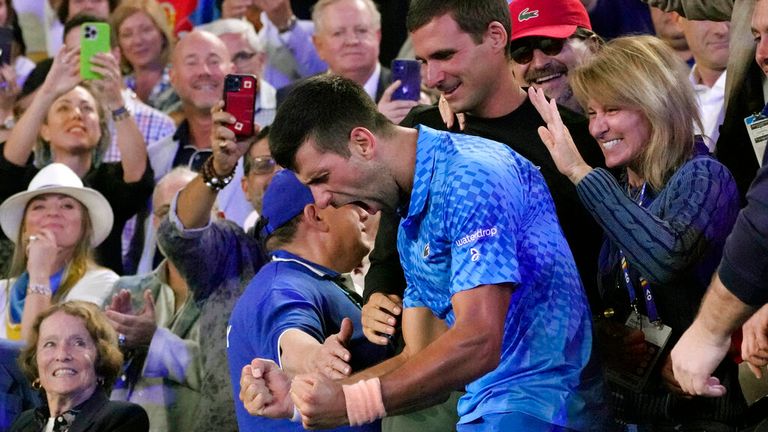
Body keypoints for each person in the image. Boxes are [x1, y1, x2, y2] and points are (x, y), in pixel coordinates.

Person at [246, 74, 606, 431]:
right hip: (495, 409)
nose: (322, 200)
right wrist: (303, 399)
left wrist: (350, 403)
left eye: (321, 177)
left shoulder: (471, 177)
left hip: (545, 410)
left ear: (362, 142)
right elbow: (420, 359)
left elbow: (480, 341)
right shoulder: (410, 219)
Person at [364, 0, 607, 359]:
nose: (432, 78)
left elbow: (598, 259)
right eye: (424, 62)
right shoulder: (423, 130)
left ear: (495, 37)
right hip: (430, 378)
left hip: (544, 373)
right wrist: (377, 296)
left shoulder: (577, 139)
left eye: (445, 56)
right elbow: (388, 257)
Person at [529, 35, 743, 429]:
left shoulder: (704, 176)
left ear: (657, 106)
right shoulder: (624, 190)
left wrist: (579, 171)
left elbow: (666, 257)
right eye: (591, 112)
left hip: (712, 412)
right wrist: (607, 336)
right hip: (643, 414)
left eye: (612, 109)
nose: (596, 127)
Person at [231, 170, 386, 432]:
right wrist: (315, 357)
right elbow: (290, 338)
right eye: (353, 202)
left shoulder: (304, 279)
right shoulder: (281, 287)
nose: (365, 212)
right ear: (316, 215)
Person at [155, 102, 267, 432]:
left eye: (284, 164)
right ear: (244, 188)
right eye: (263, 165)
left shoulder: (344, 238)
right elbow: (177, 236)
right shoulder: (231, 249)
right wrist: (219, 168)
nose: (275, 174)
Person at [0, 42, 154, 275]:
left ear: (101, 130)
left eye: (87, 109)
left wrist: (115, 102)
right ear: (45, 130)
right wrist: (48, 91)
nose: (76, 115)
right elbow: (7, 166)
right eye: (63, 108)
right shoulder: (28, 184)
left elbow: (138, 176)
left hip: (98, 302)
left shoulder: (108, 182)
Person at [106, 167, 202, 432]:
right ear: (155, 225)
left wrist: (155, 341)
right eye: (163, 213)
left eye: (185, 209)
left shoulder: (235, 296)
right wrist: (114, 346)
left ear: (219, 216)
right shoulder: (126, 289)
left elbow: (228, 374)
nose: (174, 222)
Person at [0, 163, 118, 342]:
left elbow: (38, 353)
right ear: (24, 228)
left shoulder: (102, 283)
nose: (53, 213)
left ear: (85, 227)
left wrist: (40, 275)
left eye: (67, 206)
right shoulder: (2, 291)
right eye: (39, 206)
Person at [11, 301, 148, 432]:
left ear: (102, 360)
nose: (62, 355)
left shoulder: (122, 418)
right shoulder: (25, 422)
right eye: (50, 344)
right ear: (35, 360)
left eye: (78, 343)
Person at [508, 0, 602, 115]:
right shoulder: (498, 131)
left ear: (593, 47)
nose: (539, 63)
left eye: (551, 44)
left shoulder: (629, 109)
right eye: (521, 52)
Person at [112, 0, 180, 114]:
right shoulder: (117, 88)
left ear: (162, 34)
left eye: (146, 30)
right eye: (127, 34)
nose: (137, 41)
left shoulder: (181, 84)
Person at [675, 16, 730, 151]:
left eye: (729, 14)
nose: (722, 29)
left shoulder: (760, 92)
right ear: (677, 19)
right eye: (706, 16)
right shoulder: (667, 103)